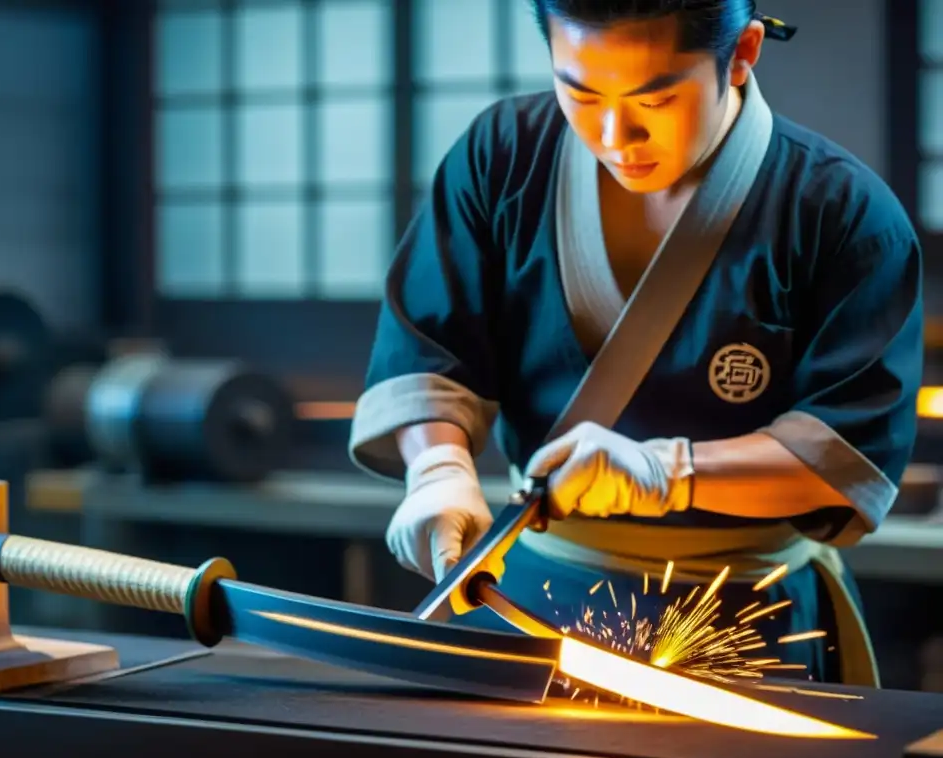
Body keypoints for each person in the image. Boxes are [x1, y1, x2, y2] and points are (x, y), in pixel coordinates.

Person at [348, 0, 923, 687]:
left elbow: (845, 455)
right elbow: (429, 353)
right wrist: (437, 470)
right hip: (523, 592)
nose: (616, 134)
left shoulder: (842, 213)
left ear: (742, 54)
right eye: (581, 92)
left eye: (659, 97)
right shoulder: (501, 157)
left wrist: (668, 472)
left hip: (749, 616)